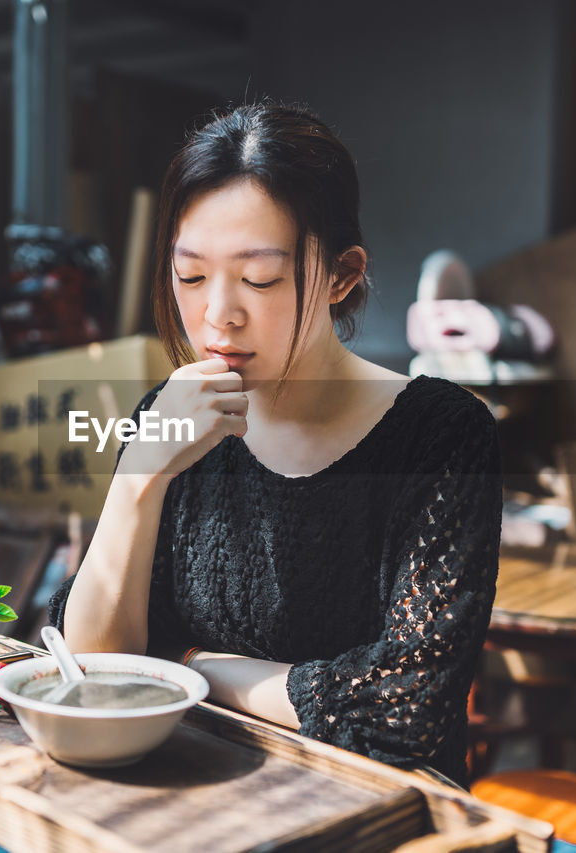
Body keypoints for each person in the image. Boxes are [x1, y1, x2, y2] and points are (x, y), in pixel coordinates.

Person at [50, 101, 501, 786]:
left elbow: (408, 709)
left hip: (370, 815)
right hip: (193, 800)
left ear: (343, 276)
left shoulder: (443, 436)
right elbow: (86, 664)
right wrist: (141, 471)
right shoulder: (170, 417)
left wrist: (189, 665)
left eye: (259, 278)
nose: (216, 315)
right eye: (191, 275)